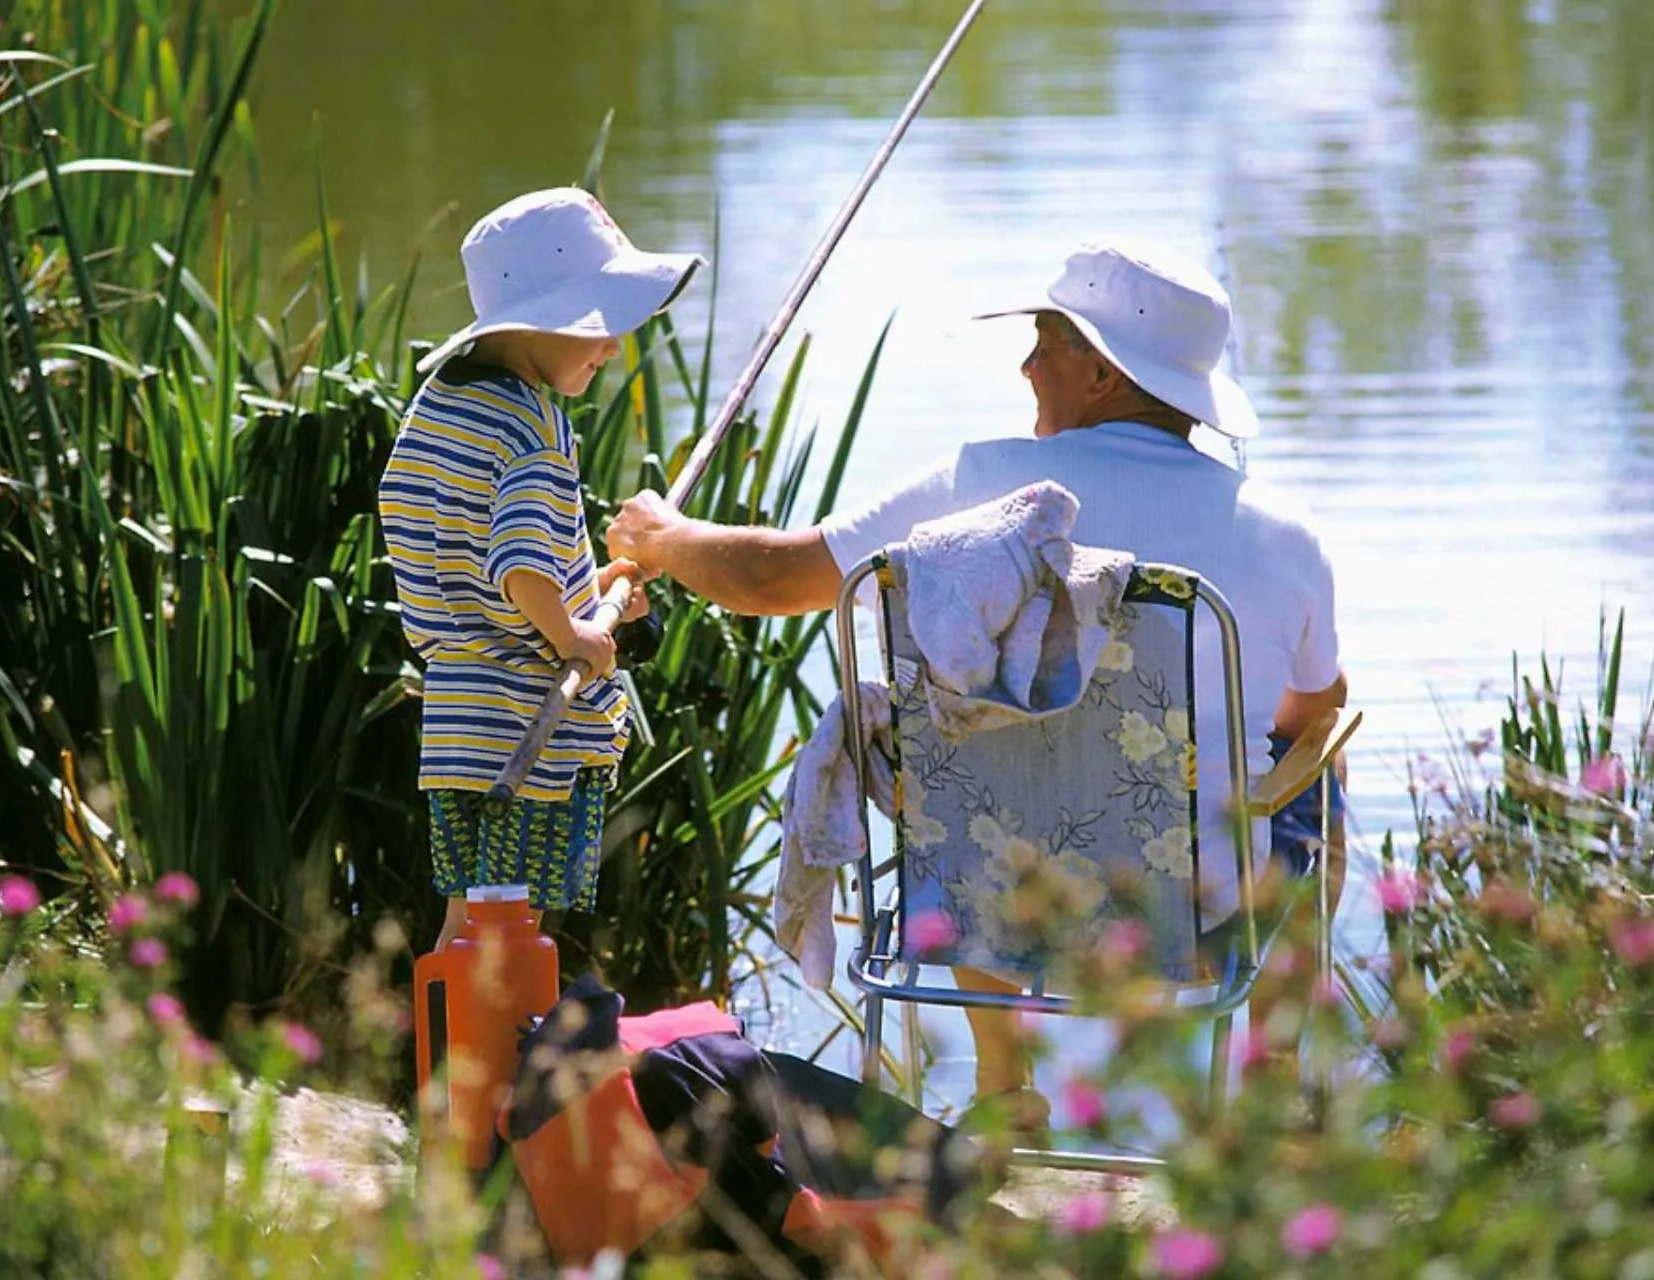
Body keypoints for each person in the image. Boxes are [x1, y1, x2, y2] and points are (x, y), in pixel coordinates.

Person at [606, 238, 1347, 1123]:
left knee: (978, 766)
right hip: (1192, 908)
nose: (1027, 365)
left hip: (985, 897)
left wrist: (665, 537)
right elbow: (1313, 713)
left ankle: (1004, 1088)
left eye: (1046, 341)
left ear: (1104, 374)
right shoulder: (1281, 531)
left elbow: (771, 582)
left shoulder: (978, 492)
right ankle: (1269, 1095)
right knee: (1319, 772)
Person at [379, 186, 703, 951]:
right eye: (596, 325)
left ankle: (454, 1064)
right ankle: (497, 1064)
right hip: (526, 721)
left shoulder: (439, 405)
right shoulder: (531, 424)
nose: (612, 347)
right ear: (540, 321)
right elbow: (519, 566)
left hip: (458, 717)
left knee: (470, 913)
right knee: (516, 922)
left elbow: (473, 561)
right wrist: (575, 638)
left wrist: (595, 594)